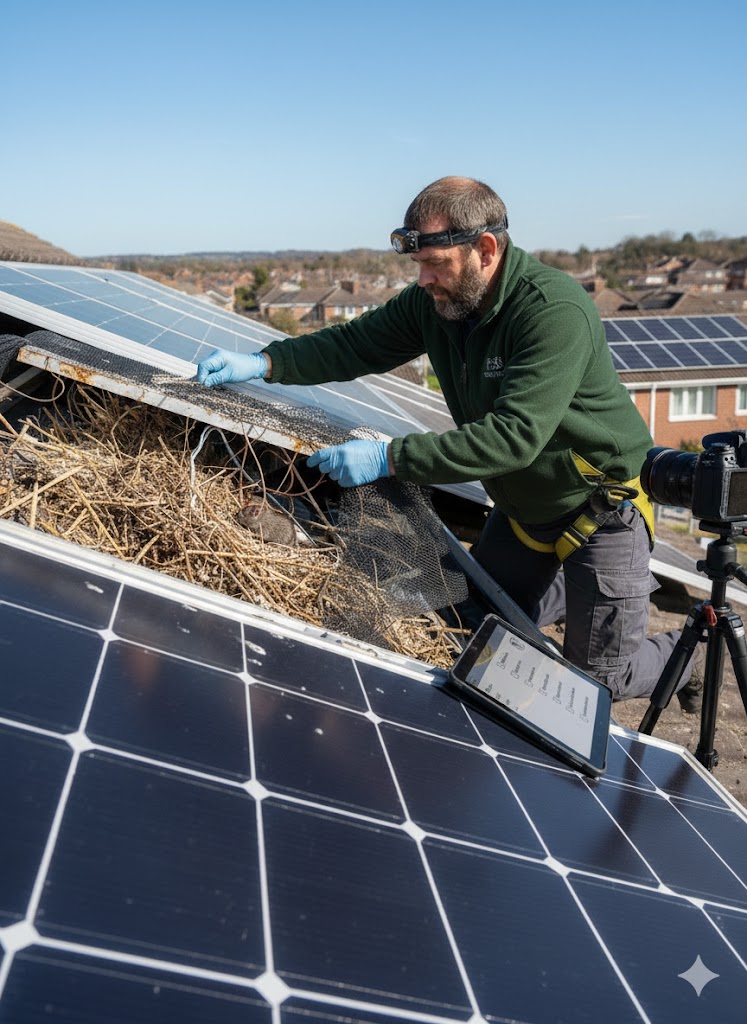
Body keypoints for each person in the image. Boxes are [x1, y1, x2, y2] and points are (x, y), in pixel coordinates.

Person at [197, 176, 701, 709]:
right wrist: (267, 363)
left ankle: (688, 655)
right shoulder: (436, 303)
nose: (424, 279)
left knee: (597, 683)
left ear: (487, 249)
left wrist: (390, 458)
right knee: (478, 635)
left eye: (437, 263)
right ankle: (581, 602)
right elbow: (355, 344)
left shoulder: (552, 311)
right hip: (521, 512)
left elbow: (514, 438)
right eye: (418, 265)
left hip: (599, 509)